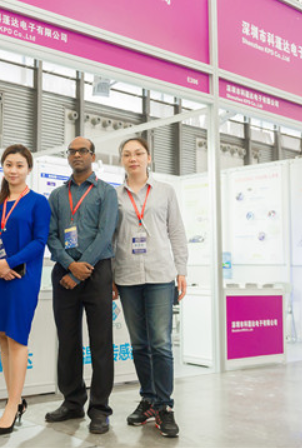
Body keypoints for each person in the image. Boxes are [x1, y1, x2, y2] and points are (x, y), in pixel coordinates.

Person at [112, 137, 188, 438]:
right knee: (139, 344)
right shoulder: (114, 196)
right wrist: (111, 277)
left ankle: (165, 406)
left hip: (159, 275)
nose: (133, 158)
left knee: (160, 343)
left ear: (148, 157)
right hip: (128, 276)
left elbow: (177, 232)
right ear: (121, 160)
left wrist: (182, 270)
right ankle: (148, 399)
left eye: (138, 153)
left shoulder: (165, 191)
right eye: (127, 154)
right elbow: (111, 237)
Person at [45, 136, 118, 435]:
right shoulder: (57, 195)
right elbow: (51, 235)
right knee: (68, 341)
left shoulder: (106, 192)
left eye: (83, 151)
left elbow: (105, 235)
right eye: (72, 151)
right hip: (64, 273)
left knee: (101, 343)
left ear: (93, 156)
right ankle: (72, 401)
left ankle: (99, 408)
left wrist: (79, 270)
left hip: (97, 272)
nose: (77, 155)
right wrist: (68, 264)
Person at [0, 144, 51, 436]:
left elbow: (40, 241)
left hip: (22, 277)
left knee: (16, 336)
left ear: (28, 169)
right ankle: (15, 400)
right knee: (2, 336)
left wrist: (10, 262)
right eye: (9, 164)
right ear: (3, 167)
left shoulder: (38, 202)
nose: (13, 170)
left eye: (20, 165)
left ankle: (11, 405)